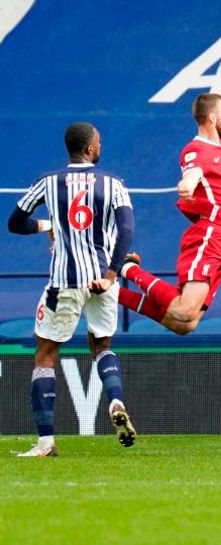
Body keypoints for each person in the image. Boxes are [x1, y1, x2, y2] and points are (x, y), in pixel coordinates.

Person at [7, 122, 137, 456]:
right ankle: (116, 400)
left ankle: (46, 442)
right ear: (92, 148)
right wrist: (109, 275)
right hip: (101, 280)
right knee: (101, 345)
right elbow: (126, 230)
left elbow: (15, 223)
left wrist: (48, 224)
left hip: (64, 281)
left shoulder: (48, 183)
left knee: (46, 352)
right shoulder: (113, 184)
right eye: (99, 142)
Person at [115, 93, 221, 335]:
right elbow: (191, 174)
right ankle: (127, 268)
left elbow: (220, 195)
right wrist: (186, 184)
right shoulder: (196, 150)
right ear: (212, 117)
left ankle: (112, 292)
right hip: (209, 237)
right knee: (183, 311)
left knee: (185, 324)